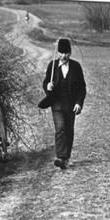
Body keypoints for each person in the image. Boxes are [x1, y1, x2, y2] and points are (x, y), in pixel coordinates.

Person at [43, 38, 86, 169]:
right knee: (60, 129)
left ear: (70, 53)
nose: (64, 56)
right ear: (58, 53)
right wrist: (48, 87)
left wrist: (79, 103)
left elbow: (81, 88)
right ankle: (60, 157)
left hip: (71, 105)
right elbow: (45, 83)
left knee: (69, 130)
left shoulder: (76, 67)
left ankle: (66, 157)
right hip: (56, 104)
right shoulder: (52, 66)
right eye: (61, 53)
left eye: (66, 53)